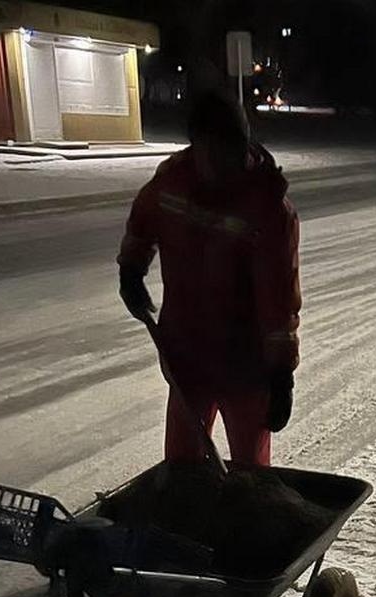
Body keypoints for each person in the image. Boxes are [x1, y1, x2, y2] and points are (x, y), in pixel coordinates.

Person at [116, 93, 301, 466]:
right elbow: (143, 221)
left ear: (243, 144)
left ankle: (249, 519)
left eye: (230, 151)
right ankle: (184, 520)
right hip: (186, 351)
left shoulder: (268, 208)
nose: (220, 164)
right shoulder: (173, 183)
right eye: (210, 151)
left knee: (250, 471)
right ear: (195, 144)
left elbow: (278, 298)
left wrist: (281, 373)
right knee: (183, 466)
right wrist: (131, 268)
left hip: (244, 362)